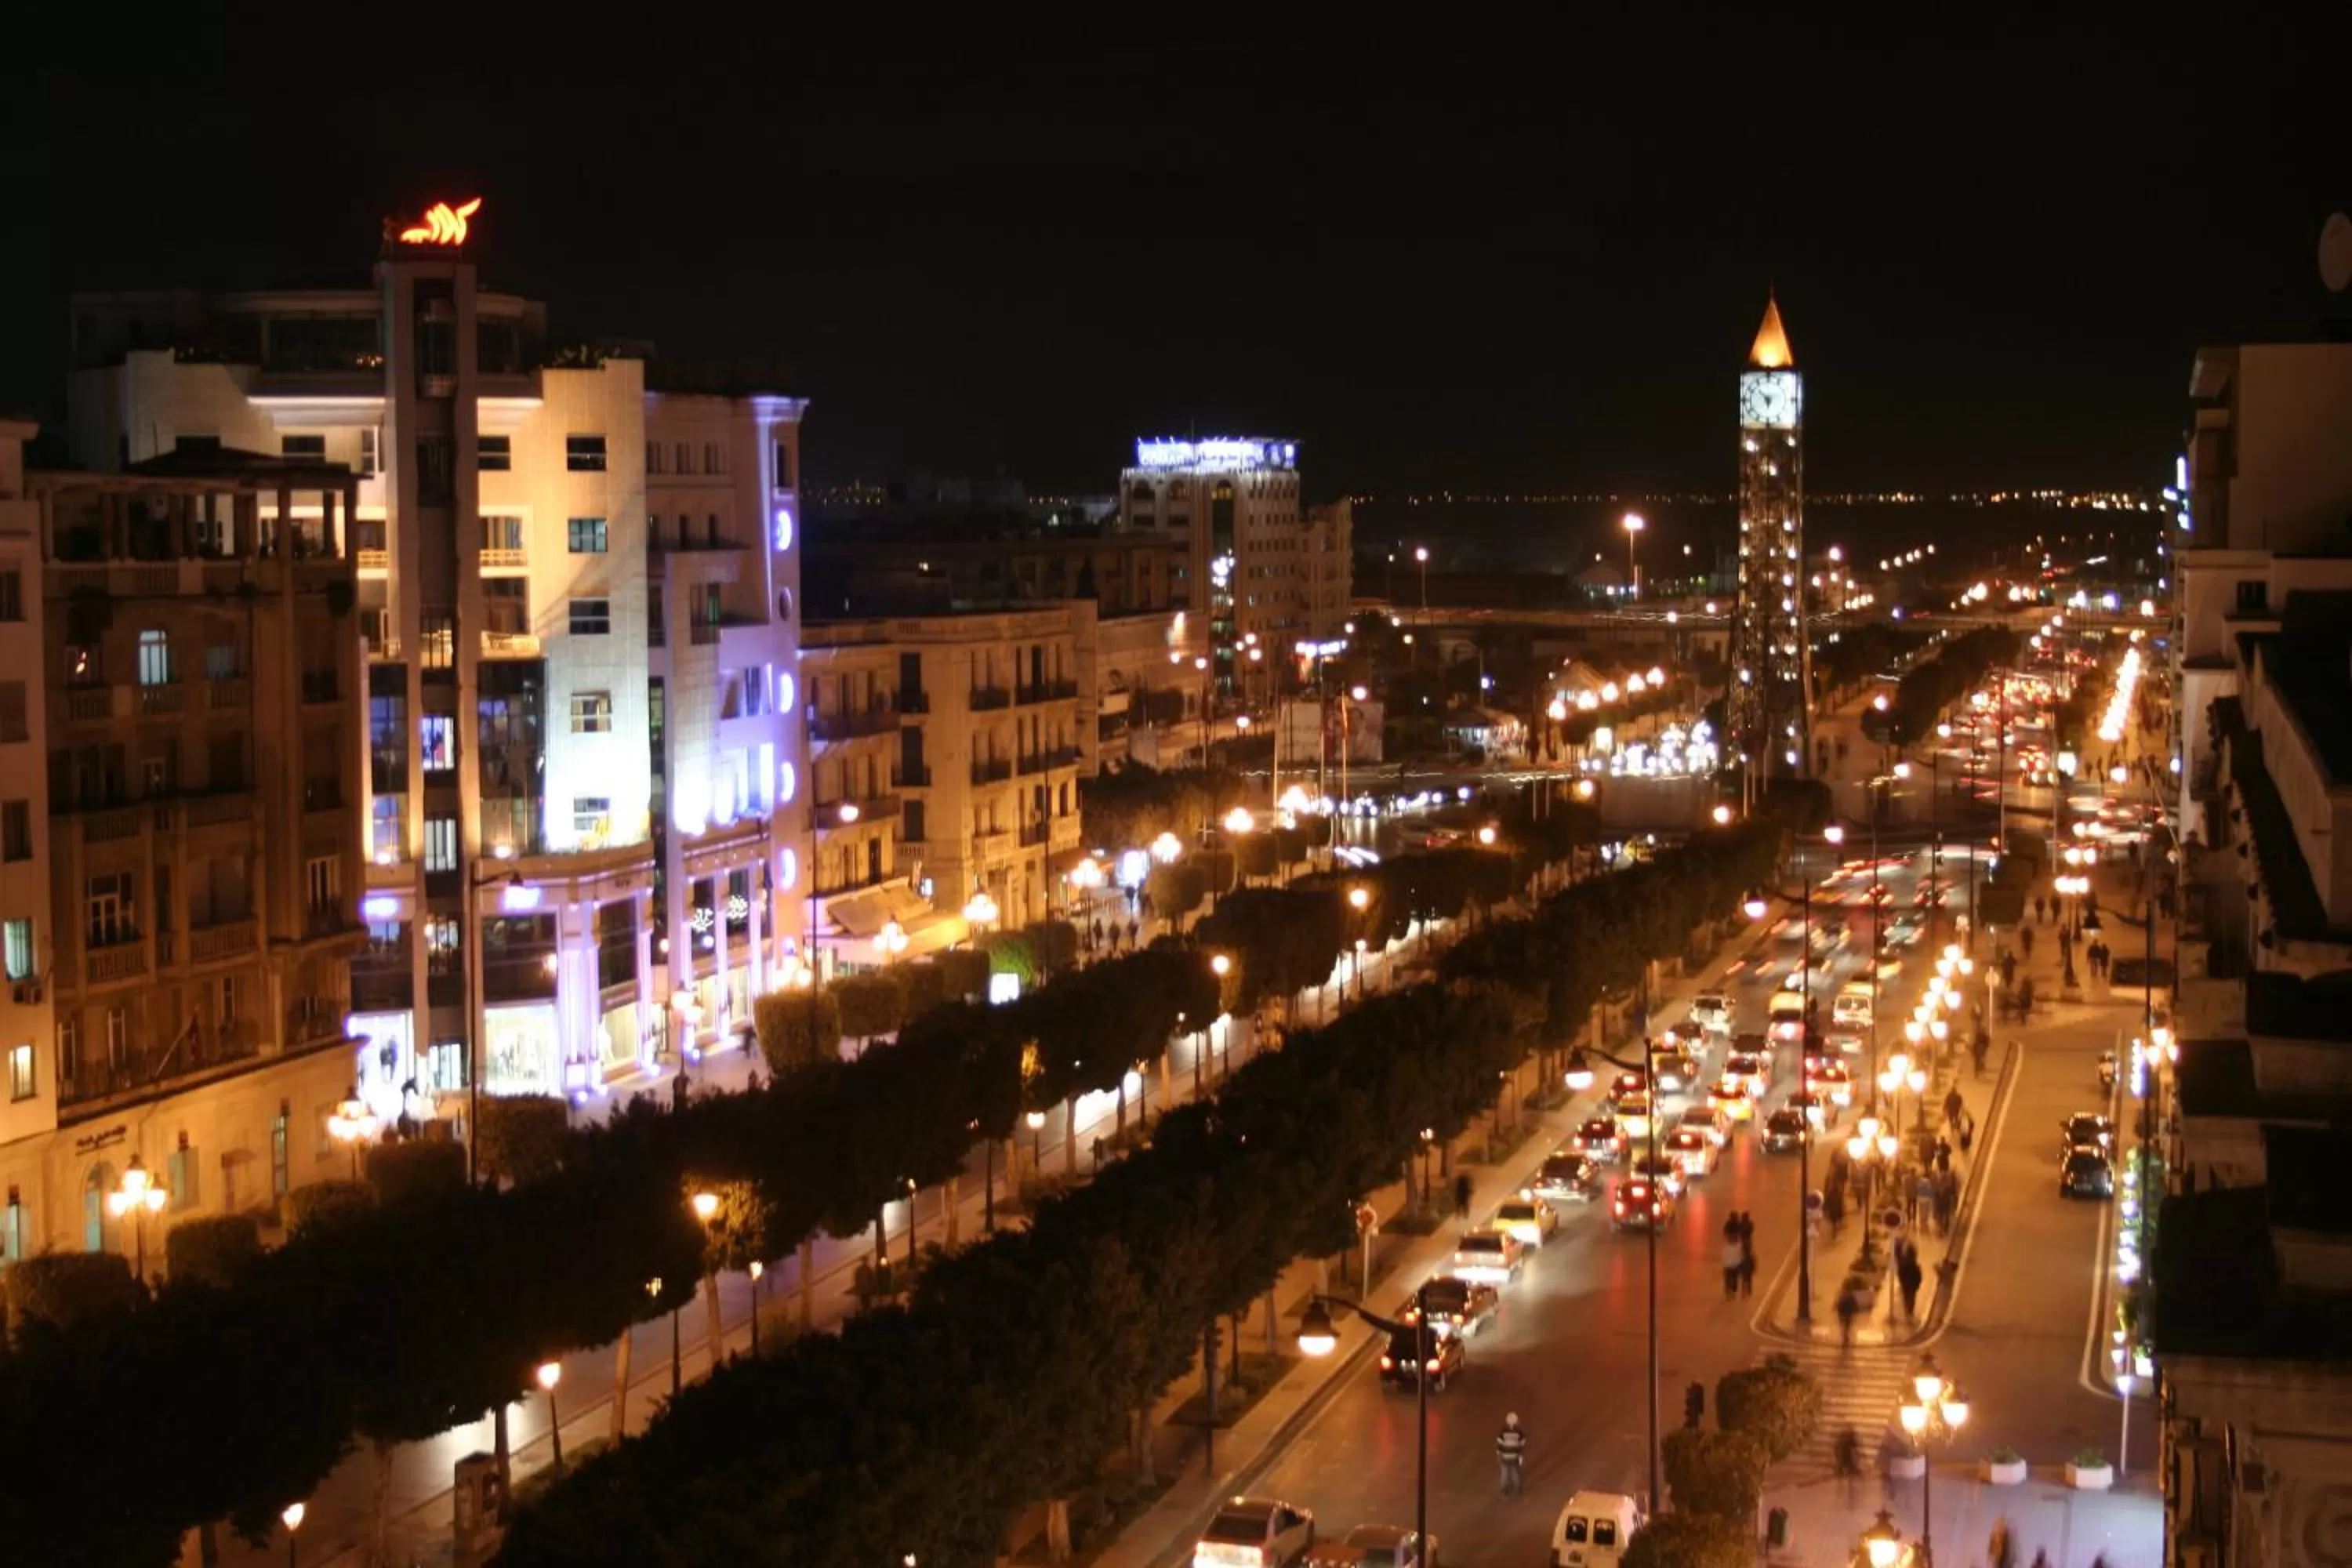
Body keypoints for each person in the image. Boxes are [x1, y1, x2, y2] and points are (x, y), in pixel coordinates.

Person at [1497, 1413, 1528, 1494]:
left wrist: (1499, 1453)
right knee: (1515, 1473)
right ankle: (1518, 1489)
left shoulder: (1503, 1432)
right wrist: (1519, 1452)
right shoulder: (1518, 1432)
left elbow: (1499, 1443)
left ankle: (1504, 1489)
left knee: (1505, 1474)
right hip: (1514, 1457)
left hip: (1505, 1457)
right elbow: (1522, 1442)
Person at [1722, 1232, 1744, 1299]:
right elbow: (1739, 1257)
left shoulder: (1727, 1249)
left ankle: (1729, 1291)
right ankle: (1732, 1291)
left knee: (1729, 1279)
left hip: (1729, 1266)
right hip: (1734, 1266)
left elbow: (1724, 1256)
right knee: (1734, 1279)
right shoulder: (1736, 1249)